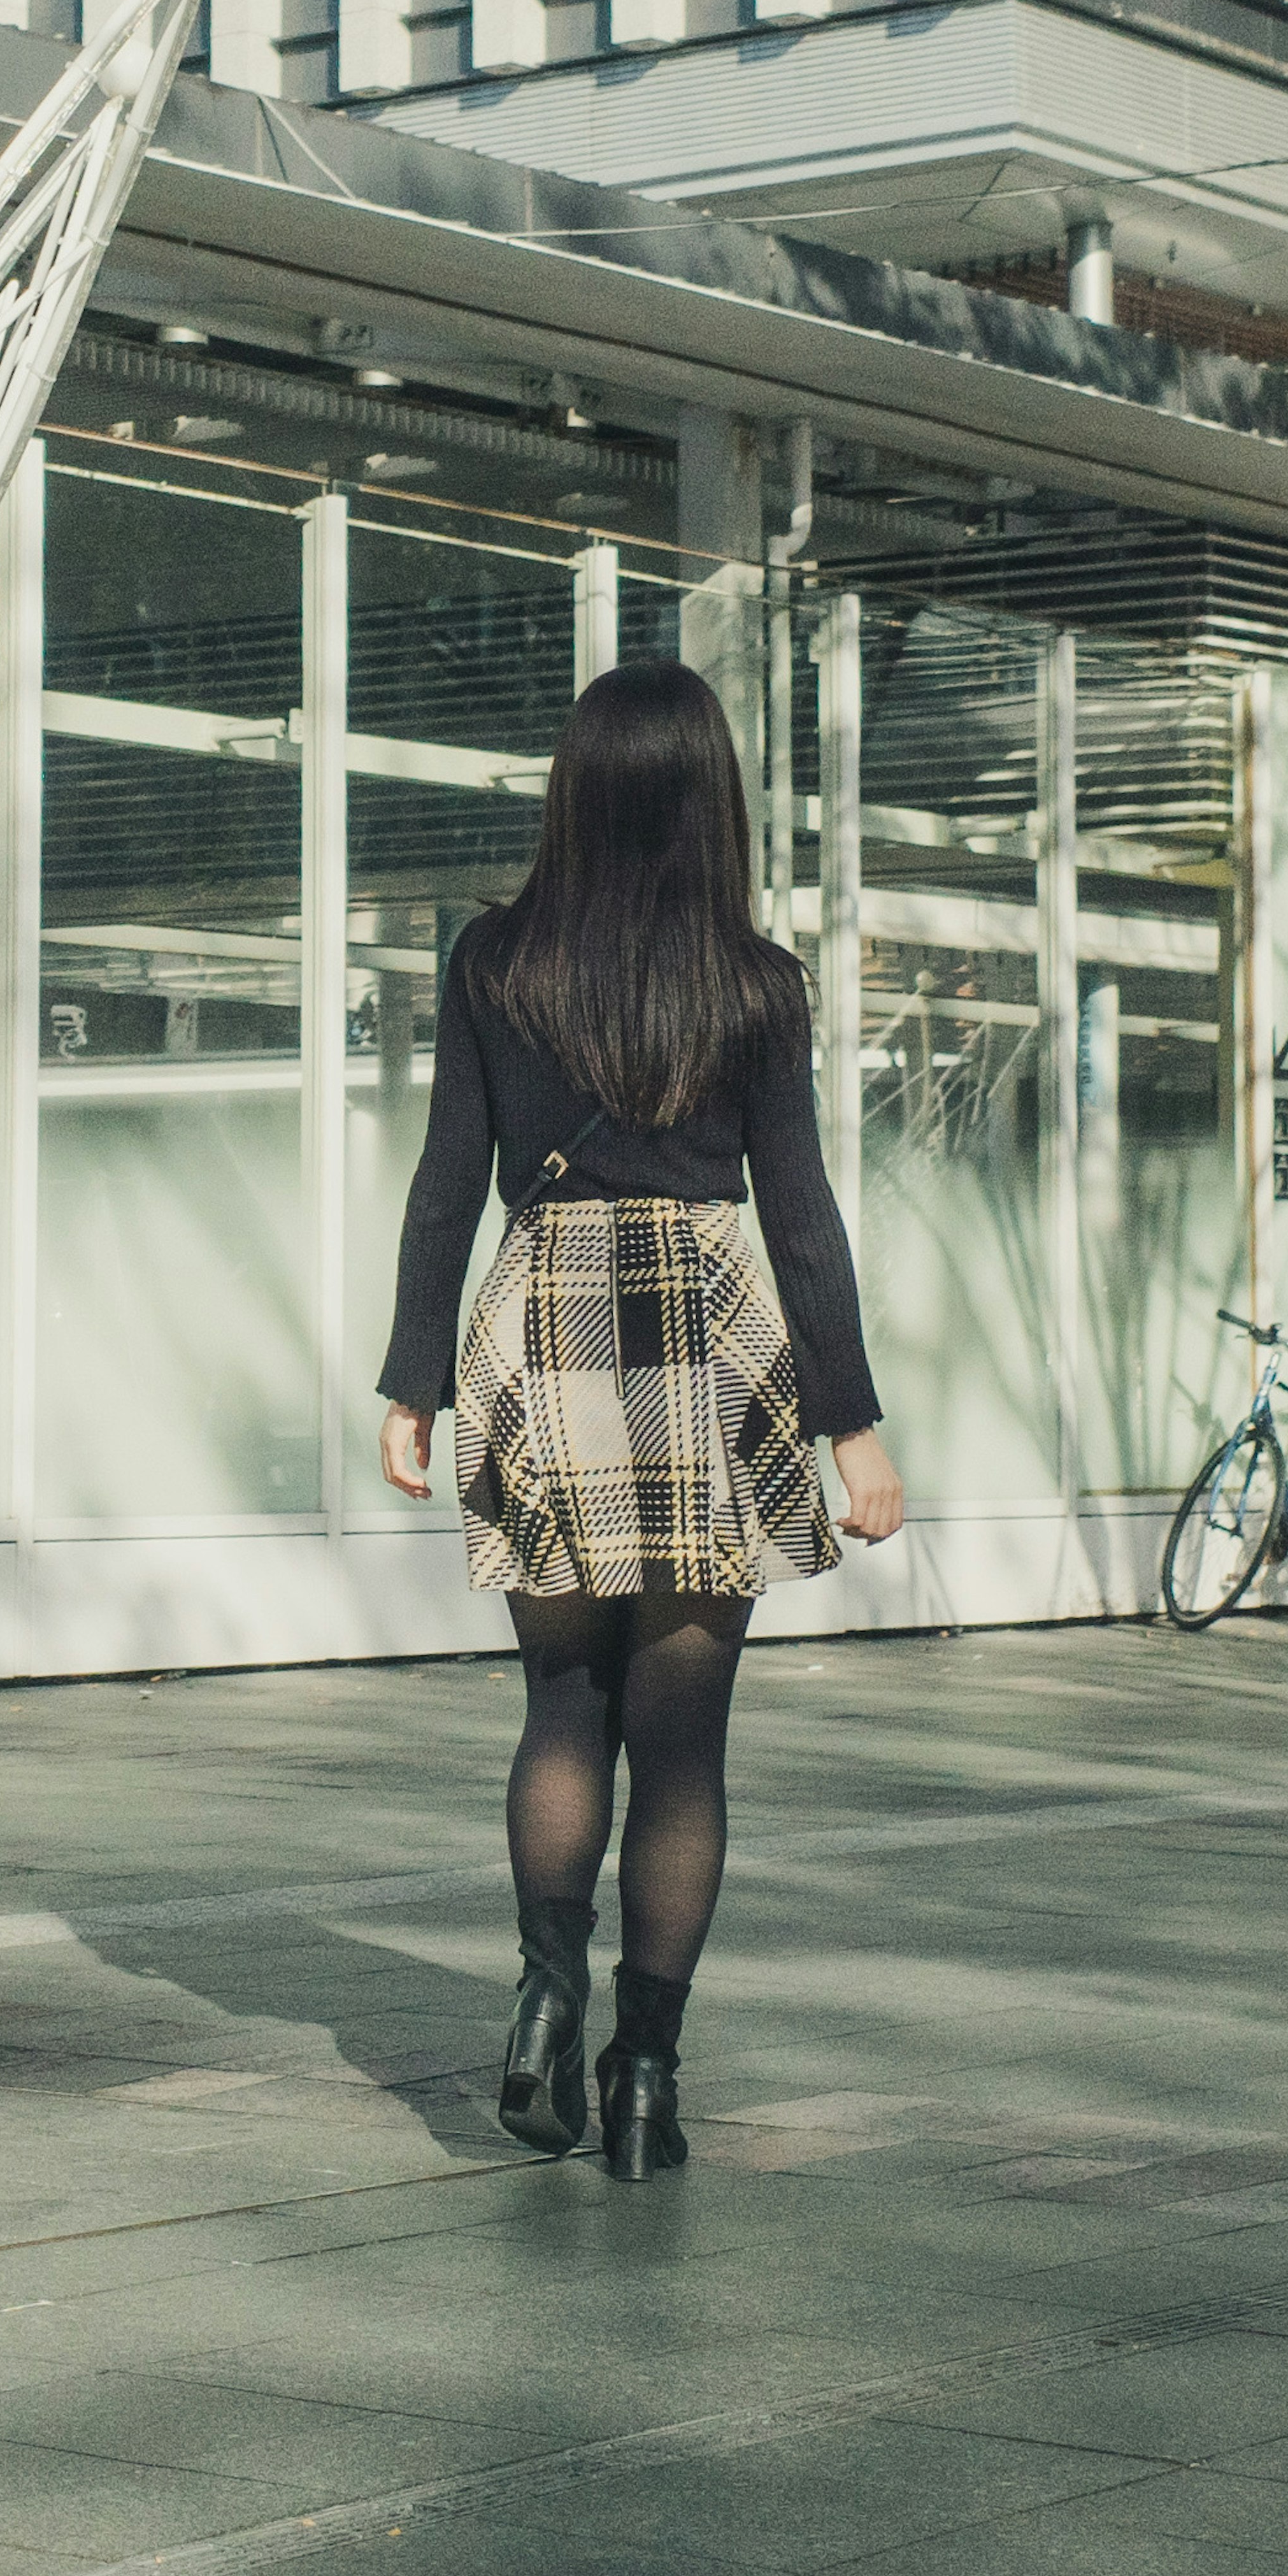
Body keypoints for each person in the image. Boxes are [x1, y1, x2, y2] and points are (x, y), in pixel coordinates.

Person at [378, 659, 903, 2181]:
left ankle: (545, 1996)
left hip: (543, 1324)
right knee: (683, 1747)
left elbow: (443, 1181)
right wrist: (851, 1425)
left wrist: (415, 1376)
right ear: (709, 800)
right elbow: (800, 1215)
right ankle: (649, 2079)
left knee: (561, 1703)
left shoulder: (494, 959)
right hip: (704, 1338)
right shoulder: (756, 981)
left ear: (577, 787)